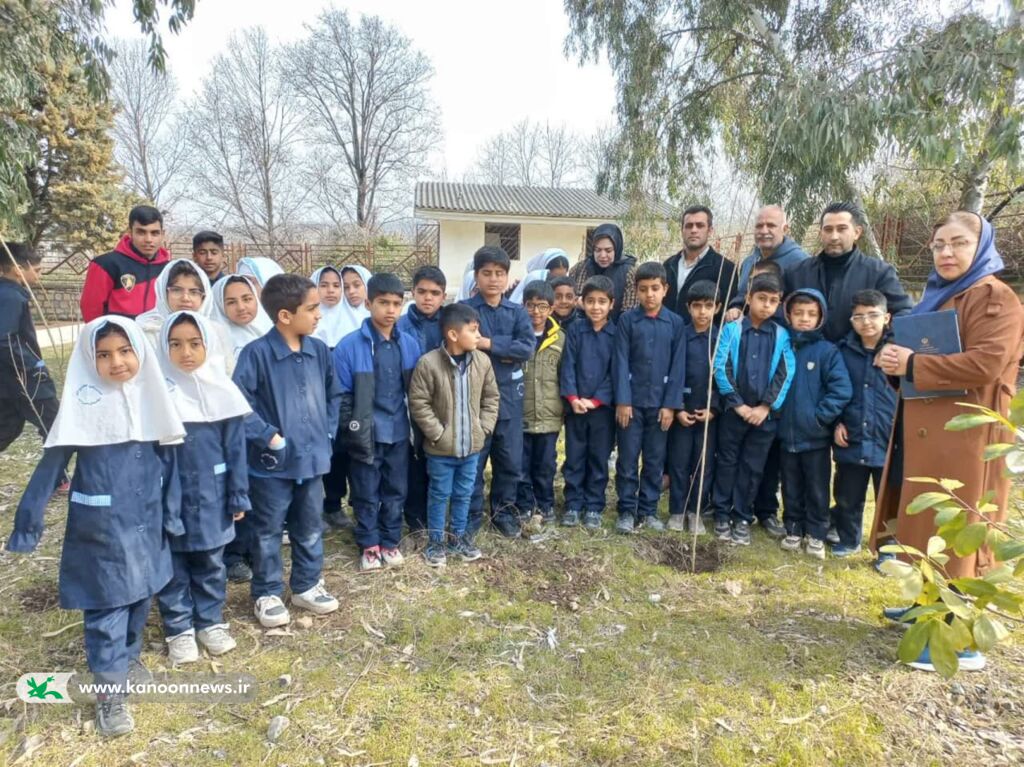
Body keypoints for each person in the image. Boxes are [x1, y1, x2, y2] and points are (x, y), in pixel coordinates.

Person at [6, 316, 186, 737]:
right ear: (90, 360)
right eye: (103, 354)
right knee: (106, 606)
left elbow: (173, 465)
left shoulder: (151, 402)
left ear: (140, 353)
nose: (117, 362)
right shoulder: (81, 410)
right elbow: (51, 465)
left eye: (125, 351)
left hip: (147, 524)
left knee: (141, 596)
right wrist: (27, 523)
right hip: (101, 529)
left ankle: (128, 658)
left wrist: (173, 514)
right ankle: (110, 693)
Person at [873, 211, 1024, 672]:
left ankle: (955, 641)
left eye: (958, 243)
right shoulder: (941, 296)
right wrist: (896, 362)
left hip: (968, 436)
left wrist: (914, 364)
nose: (945, 253)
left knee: (958, 529)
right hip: (929, 430)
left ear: (980, 248)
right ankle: (925, 608)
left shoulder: (996, 299)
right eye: (938, 245)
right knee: (927, 527)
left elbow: (987, 363)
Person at [232, 273, 342, 628]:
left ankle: (307, 585)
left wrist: (327, 430)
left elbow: (334, 393)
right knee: (266, 530)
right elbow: (238, 405)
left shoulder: (319, 350)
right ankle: (266, 592)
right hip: (271, 466)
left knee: (309, 526)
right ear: (284, 315)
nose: (318, 314)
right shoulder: (257, 354)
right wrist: (269, 436)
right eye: (311, 308)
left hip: (312, 461)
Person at [154, 311, 251, 664]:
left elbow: (236, 449)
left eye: (195, 344)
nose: (186, 353)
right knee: (173, 563)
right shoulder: (154, 395)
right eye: (175, 344)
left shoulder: (223, 392)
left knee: (211, 561)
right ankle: (179, 628)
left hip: (214, 493)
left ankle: (210, 621)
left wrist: (238, 493)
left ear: (208, 346)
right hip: (171, 496)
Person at [334, 273, 421, 571]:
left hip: (398, 431)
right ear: (369, 303)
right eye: (383, 303)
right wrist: (351, 429)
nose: (390, 310)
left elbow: (416, 392)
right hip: (366, 434)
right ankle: (369, 543)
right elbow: (342, 396)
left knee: (396, 489)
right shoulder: (349, 346)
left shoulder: (409, 344)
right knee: (365, 490)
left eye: (397, 303)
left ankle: (390, 540)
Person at [409, 303, 500, 566]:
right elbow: (419, 402)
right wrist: (437, 433)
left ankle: (458, 537)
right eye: (472, 330)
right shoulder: (429, 363)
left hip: (471, 449)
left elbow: (491, 398)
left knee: (464, 493)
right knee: (439, 494)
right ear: (452, 334)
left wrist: (483, 428)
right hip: (440, 450)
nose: (478, 335)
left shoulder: (482, 362)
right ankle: (436, 543)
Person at [711, 273, 795, 546]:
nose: (766, 305)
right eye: (761, 299)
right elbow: (720, 365)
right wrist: (737, 403)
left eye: (773, 301)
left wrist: (765, 407)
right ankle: (722, 513)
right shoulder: (733, 329)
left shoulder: (782, 335)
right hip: (734, 413)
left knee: (753, 466)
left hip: (764, 417)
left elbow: (786, 371)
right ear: (749, 298)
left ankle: (742, 516)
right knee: (727, 461)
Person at [461, 246, 534, 539]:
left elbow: (525, 348)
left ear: (507, 277)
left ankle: (503, 514)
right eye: (487, 273)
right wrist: (507, 350)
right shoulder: (465, 311)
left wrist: (488, 344)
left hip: (509, 401)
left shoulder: (517, 312)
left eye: (499, 273)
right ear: (476, 276)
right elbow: (461, 346)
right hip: (473, 401)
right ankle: (471, 516)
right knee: (474, 462)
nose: (493, 279)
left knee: (510, 462)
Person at [776, 289, 852, 559]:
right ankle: (793, 529)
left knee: (817, 488)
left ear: (821, 317)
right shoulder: (783, 346)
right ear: (788, 315)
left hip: (816, 438)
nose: (804, 319)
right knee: (790, 486)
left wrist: (819, 417)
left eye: (811, 314)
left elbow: (841, 389)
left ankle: (817, 533)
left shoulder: (826, 352)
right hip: (785, 436)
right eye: (798, 314)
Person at [613, 261, 686, 533]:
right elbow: (620, 362)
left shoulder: (675, 323)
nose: (650, 295)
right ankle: (626, 510)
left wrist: (670, 405)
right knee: (628, 459)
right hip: (630, 405)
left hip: (659, 407)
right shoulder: (626, 321)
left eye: (655, 288)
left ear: (665, 289)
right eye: (643, 289)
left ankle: (649, 509)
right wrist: (622, 400)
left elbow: (678, 367)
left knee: (654, 460)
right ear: (636, 291)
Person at [785, 202, 913, 343]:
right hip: (805, 358)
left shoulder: (879, 273)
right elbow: (778, 311)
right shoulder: (796, 273)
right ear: (821, 233)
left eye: (841, 229)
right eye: (828, 230)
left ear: (857, 232)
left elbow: (903, 313)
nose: (834, 236)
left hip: (859, 360)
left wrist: (889, 344)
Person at [832, 289, 896, 557]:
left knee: (890, 498)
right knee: (847, 495)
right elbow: (832, 388)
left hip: (888, 437)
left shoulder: (898, 352)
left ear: (887, 317)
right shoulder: (841, 351)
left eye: (873, 315)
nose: (866, 322)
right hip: (853, 435)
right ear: (851, 321)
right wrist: (836, 422)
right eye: (859, 317)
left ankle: (888, 550)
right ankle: (848, 539)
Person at [560, 275, 616, 529]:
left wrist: (596, 401)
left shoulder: (616, 334)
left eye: (602, 301)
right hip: (576, 408)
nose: (596, 307)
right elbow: (568, 365)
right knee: (574, 456)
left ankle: (594, 505)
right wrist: (572, 398)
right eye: (591, 301)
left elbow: (615, 372)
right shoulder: (575, 330)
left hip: (602, 410)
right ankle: (572, 503)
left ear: (611, 304)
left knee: (598, 457)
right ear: (582, 302)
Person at [666, 280, 722, 533]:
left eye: (708, 306)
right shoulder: (680, 337)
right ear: (688, 307)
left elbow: (726, 378)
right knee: (679, 463)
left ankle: (695, 512)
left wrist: (715, 409)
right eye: (697, 306)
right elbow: (672, 373)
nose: (702, 312)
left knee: (703, 464)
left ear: (717, 307)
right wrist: (677, 407)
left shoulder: (721, 339)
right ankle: (677, 510)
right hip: (683, 412)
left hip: (709, 414)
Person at [320, 263, 372, 530]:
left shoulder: (369, 319)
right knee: (336, 453)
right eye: (345, 285)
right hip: (334, 400)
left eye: (355, 285)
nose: (349, 292)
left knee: (360, 452)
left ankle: (360, 504)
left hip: (363, 399)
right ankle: (331, 504)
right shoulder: (319, 319)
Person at [397, 265, 446, 533]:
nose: (428, 298)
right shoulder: (400, 325)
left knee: (437, 460)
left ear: (443, 295)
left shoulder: (450, 324)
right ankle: (415, 519)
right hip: (410, 403)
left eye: (435, 293)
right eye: (422, 292)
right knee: (413, 461)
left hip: (443, 403)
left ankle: (436, 515)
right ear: (412, 293)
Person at [0, 243, 59, 459]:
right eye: (37, 270)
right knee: (55, 424)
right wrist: (32, 364)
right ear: (18, 269)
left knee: (8, 425)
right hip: (25, 378)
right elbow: (4, 339)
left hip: (10, 378)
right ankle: (56, 477)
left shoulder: (11, 293)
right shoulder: (10, 297)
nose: (39, 275)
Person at [516, 281, 565, 524]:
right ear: (523, 306)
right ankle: (524, 506)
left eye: (542, 306)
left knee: (545, 465)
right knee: (521, 465)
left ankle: (545, 505)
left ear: (552, 308)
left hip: (549, 417)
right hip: (521, 415)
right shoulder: (516, 336)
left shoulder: (560, 340)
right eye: (531, 306)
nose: (536, 312)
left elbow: (565, 377)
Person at [135, 259, 235, 375]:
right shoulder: (146, 330)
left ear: (204, 296)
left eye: (194, 292)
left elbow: (229, 374)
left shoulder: (216, 331)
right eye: (177, 290)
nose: (185, 298)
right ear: (163, 292)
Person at [80, 205, 171, 321]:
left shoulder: (169, 269)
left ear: (162, 234)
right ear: (130, 232)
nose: (148, 239)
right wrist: (103, 336)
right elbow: (91, 310)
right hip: (117, 337)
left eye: (154, 233)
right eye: (141, 232)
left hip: (156, 337)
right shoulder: (105, 265)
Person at [663, 205, 738, 321]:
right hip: (668, 336)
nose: (693, 230)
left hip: (704, 338)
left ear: (710, 230)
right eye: (688, 226)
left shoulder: (725, 268)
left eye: (700, 225)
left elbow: (727, 312)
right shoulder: (668, 265)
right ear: (682, 230)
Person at [733, 205, 809, 295]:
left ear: (784, 229)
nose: (764, 231)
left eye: (771, 225)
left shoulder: (802, 263)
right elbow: (741, 296)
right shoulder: (748, 262)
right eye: (759, 226)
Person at [568, 223, 637, 321]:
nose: (603, 255)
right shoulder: (579, 269)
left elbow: (630, 312)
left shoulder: (630, 273)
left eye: (608, 250)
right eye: (598, 250)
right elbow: (567, 299)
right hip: (580, 331)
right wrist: (576, 301)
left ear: (616, 249)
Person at [210, 275, 274, 362]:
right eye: (231, 302)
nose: (241, 307)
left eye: (247, 299)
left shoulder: (272, 329)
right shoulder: (214, 340)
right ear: (219, 305)